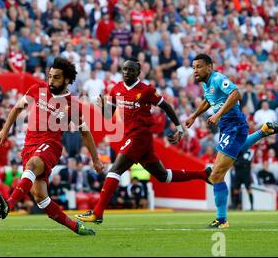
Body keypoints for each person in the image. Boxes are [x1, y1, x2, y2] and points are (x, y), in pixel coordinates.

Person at [76, 58, 212, 224]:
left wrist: (179, 128)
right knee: (163, 176)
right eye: (124, 70)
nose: (126, 73)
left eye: (130, 70)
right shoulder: (116, 89)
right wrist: (102, 106)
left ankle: (97, 213)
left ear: (138, 73)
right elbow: (108, 115)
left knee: (114, 170)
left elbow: (167, 107)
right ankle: (203, 174)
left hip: (140, 137)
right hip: (138, 140)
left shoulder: (146, 90)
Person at [0, 57, 104, 235]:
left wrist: (96, 160)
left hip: (50, 145)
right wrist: (4, 131)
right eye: (50, 76)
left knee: (32, 166)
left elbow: (85, 132)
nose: (51, 81)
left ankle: (8, 205)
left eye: (56, 77)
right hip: (29, 145)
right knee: (40, 197)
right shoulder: (37, 89)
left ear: (67, 79)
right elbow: (17, 108)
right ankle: (77, 227)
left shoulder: (72, 104)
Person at [185, 53, 278, 228]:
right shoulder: (207, 84)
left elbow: (236, 94)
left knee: (216, 174)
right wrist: (194, 116)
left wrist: (218, 114)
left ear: (209, 67)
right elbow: (208, 101)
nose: (195, 70)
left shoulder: (217, 78)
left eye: (199, 67)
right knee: (230, 159)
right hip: (228, 126)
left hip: (234, 125)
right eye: (193, 67)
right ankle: (263, 131)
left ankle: (222, 220)